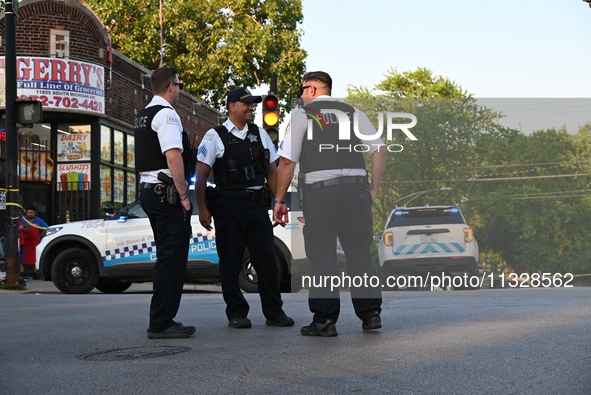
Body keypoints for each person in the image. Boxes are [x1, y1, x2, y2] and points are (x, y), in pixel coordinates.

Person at [273, 71, 387, 337]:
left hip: (320, 195)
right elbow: (379, 151)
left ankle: (324, 320)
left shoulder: (302, 115)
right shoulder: (354, 112)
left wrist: (279, 200)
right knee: (359, 252)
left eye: (303, 89)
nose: (301, 95)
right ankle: (370, 314)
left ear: (312, 90)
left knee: (322, 255)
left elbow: (287, 161)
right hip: (356, 192)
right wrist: (373, 190)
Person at [196, 87, 294, 329]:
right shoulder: (214, 136)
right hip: (228, 205)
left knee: (267, 259)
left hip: (256, 205)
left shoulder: (259, 134)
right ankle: (236, 313)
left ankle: (274, 312)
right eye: (246, 103)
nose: (251, 107)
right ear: (231, 106)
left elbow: (272, 171)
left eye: (252, 104)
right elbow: (200, 175)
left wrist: (278, 202)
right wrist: (203, 210)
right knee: (230, 260)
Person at [135, 67, 195, 339]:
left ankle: (161, 318)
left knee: (166, 256)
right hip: (166, 194)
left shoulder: (143, 115)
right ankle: (161, 322)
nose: (180, 90)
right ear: (171, 86)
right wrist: (183, 196)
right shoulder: (167, 114)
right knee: (172, 259)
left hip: (150, 192)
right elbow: (173, 157)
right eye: (179, 85)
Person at [19, 205, 48, 275]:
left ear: (34, 213)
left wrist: (40, 236)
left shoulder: (39, 220)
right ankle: (21, 273)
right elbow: (17, 228)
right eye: (28, 213)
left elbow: (47, 228)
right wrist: (21, 228)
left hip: (35, 243)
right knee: (23, 259)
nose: (29, 214)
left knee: (35, 259)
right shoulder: (23, 220)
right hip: (25, 243)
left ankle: (36, 274)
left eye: (31, 213)